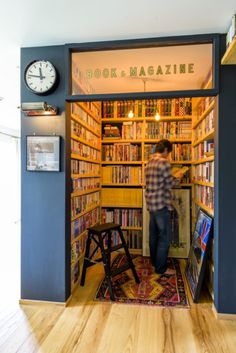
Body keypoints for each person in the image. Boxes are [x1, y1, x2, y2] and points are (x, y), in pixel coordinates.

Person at [145, 139, 182, 275]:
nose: (169, 155)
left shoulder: (149, 162)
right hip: (161, 204)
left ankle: (155, 262)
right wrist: (178, 177)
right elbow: (168, 184)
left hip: (151, 204)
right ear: (166, 149)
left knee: (153, 235)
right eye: (169, 152)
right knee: (164, 237)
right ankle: (161, 269)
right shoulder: (164, 162)